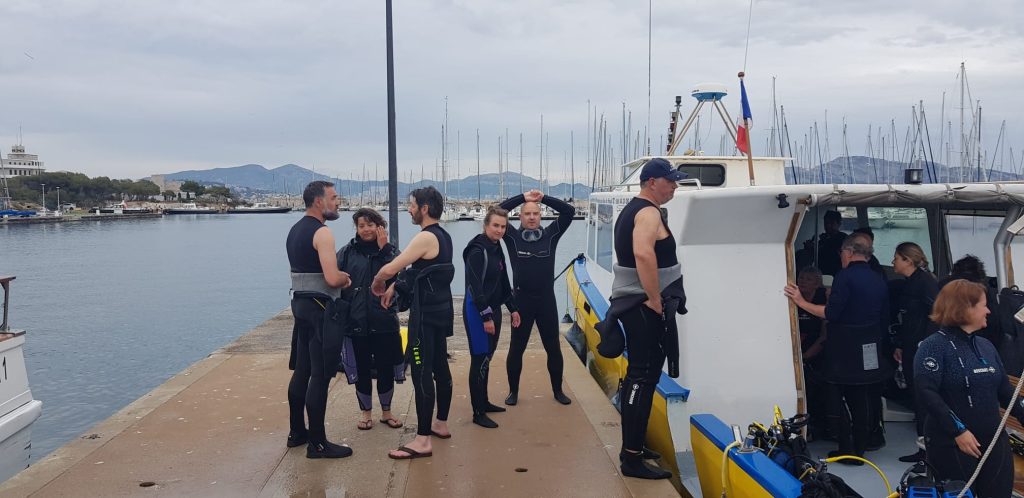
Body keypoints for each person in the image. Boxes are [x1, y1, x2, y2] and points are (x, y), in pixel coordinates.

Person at [600, 157, 688, 480]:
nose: (675, 186)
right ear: (652, 182)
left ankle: (634, 446)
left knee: (643, 377)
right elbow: (642, 253)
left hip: (636, 304)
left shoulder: (634, 209)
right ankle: (631, 459)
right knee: (642, 377)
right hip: (642, 305)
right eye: (670, 181)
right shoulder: (648, 213)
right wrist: (653, 297)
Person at [785, 232, 890, 464]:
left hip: (846, 347)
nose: (841, 256)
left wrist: (800, 301)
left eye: (842, 252)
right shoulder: (878, 277)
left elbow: (831, 313)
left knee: (836, 396)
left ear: (849, 252)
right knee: (861, 398)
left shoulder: (845, 276)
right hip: (870, 345)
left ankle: (846, 447)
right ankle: (860, 449)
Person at [916, 279, 1024, 498]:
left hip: (993, 440)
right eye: (983, 305)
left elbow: (1005, 391)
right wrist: (958, 431)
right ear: (965, 308)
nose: (988, 311)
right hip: (953, 442)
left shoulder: (986, 346)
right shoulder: (933, 347)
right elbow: (927, 392)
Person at [372, 186, 454, 460]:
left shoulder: (425, 237)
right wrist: (396, 286)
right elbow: (420, 271)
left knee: (421, 373)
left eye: (412, 205)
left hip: (425, 318)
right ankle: (440, 424)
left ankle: (422, 440)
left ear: (424, 208)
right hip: (440, 312)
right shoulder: (443, 236)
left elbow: (393, 266)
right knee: (440, 368)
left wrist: (379, 281)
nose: (409, 209)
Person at [285, 180, 353, 458]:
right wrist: (346, 278)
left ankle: (296, 432)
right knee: (321, 374)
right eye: (334, 198)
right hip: (321, 309)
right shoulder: (322, 232)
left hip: (300, 305)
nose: (338, 202)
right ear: (318, 201)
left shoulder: (295, 230)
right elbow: (332, 278)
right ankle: (318, 444)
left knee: (302, 370)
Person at [499, 188, 575, 406]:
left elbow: (568, 212)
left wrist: (544, 198)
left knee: (553, 348)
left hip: (546, 302)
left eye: (536, 213)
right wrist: (522, 198)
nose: (532, 217)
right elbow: (497, 211)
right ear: (520, 217)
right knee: (517, 349)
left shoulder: (551, 235)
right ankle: (513, 392)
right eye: (527, 213)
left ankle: (558, 391)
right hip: (521, 302)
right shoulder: (511, 236)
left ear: (541, 216)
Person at [336, 208, 404, 431]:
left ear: (379, 227)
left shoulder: (390, 252)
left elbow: (402, 276)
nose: (366, 229)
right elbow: (333, 279)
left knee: (385, 368)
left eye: (370, 225)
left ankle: (387, 412)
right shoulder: (346, 253)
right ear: (356, 228)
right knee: (361, 369)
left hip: (384, 320)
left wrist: (385, 249)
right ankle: (365, 413)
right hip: (356, 322)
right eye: (361, 226)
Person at [462, 205, 521, 428]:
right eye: (495, 225)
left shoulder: (496, 247)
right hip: (477, 312)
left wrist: (513, 308)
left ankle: (484, 402)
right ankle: (478, 413)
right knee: (479, 360)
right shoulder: (477, 251)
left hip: (493, 310)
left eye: (503, 227)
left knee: (487, 358)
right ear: (485, 224)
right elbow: (475, 287)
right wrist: (486, 317)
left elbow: (503, 283)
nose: (499, 230)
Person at [889, 242, 939, 463]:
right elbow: (908, 318)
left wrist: (925, 344)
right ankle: (923, 449)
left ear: (907, 260)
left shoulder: (925, 282)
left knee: (923, 401)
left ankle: (929, 452)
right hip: (910, 347)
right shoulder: (910, 283)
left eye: (896, 258)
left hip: (921, 350)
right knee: (917, 400)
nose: (893, 262)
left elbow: (937, 314)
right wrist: (900, 344)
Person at [796, 267, 828, 439]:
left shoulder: (823, 298)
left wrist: (806, 356)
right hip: (799, 350)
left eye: (808, 279)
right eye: (801, 278)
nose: (802, 282)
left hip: (818, 352)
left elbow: (825, 335)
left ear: (817, 283)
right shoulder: (793, 299)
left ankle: (819, 427)